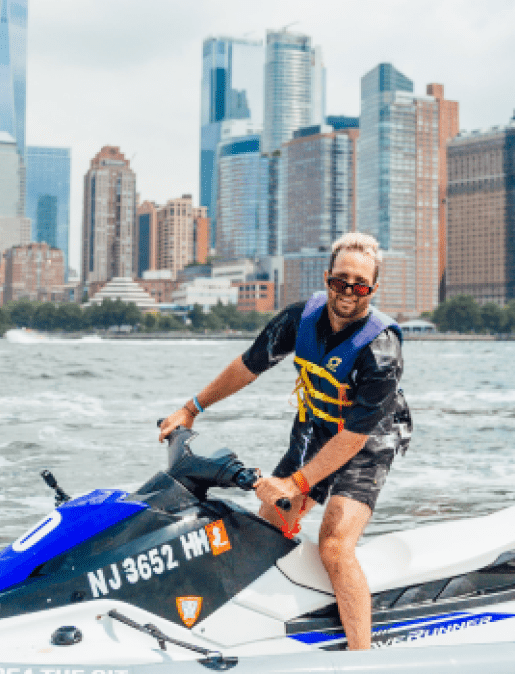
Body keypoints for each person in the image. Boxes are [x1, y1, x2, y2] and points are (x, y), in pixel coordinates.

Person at [158, 232, 410, 650]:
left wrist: (295, 484)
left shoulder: (382, 348)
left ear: (373, 289)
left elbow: (353, 439)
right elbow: (247, 366)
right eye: (340, 280)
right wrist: (191, 408)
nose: (348, 291)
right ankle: (269, 624)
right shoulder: (300, 318)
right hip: (314, 431)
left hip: (365, 444)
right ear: (327, 278)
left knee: (334, 544)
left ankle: (361, 657)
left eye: (360, 285)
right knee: (269, 523)